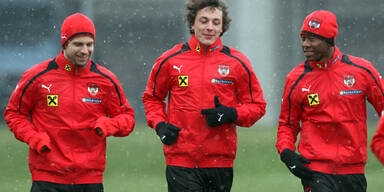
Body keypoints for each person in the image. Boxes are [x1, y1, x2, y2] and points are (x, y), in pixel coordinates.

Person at [142, 0, 266, 191]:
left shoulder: (237, 62)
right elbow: (152, 98)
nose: (210, 28)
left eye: (216, 23)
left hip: (220, 162)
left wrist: (231, 114)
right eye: (204, 21)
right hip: (180, 160)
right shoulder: (170, 60)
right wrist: (159, 124)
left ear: (223, 27)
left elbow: (258, 106)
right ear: (192, 23)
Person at [4, 13, 135, 191]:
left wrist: (109, 124)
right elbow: (14, 113)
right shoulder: (37, 76)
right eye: (78, 44)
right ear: (65, 44)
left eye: (89, 45)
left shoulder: (106, 80)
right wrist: (33, 137)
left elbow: (127, 118)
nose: (85, 50)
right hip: (47, 177)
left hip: (89, 180)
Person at [276, 10, 384, 192]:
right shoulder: (295, 79)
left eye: (312, 39)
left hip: (353, 172)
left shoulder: (362, 71)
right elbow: (287, 125)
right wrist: (286, 152)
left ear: (329, 40)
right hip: (315, 172)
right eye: (303, 38)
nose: (305, 45)